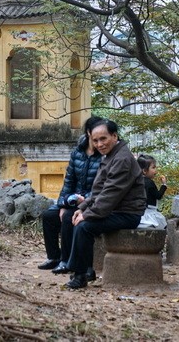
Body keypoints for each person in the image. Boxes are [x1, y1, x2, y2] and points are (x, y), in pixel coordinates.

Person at [65, 119, 147, 289]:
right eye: (95, 141)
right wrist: (82, 208)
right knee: (69, 216)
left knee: (84, 226)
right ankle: (84, 269)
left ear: (114, 136)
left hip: (128, 214)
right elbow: (98, 190)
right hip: (114, 210)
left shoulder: (122, 159)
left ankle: (80, 275)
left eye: (103, 139)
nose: (99, 144)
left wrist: (87, 214)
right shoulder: (110, 155)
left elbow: (109, 195)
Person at [38, 115, 103, 277]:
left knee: (68, 217)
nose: (100, 142)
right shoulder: (77, 152)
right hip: (71, 199)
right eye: (96, 136)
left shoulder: (104, 155)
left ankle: (66, 261)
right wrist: (62, 204)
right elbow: (68, 181)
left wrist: (84, 201)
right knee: (49, 216)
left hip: (91, 201)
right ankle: (54, 257)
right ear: (89, 133)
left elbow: (101, 186)